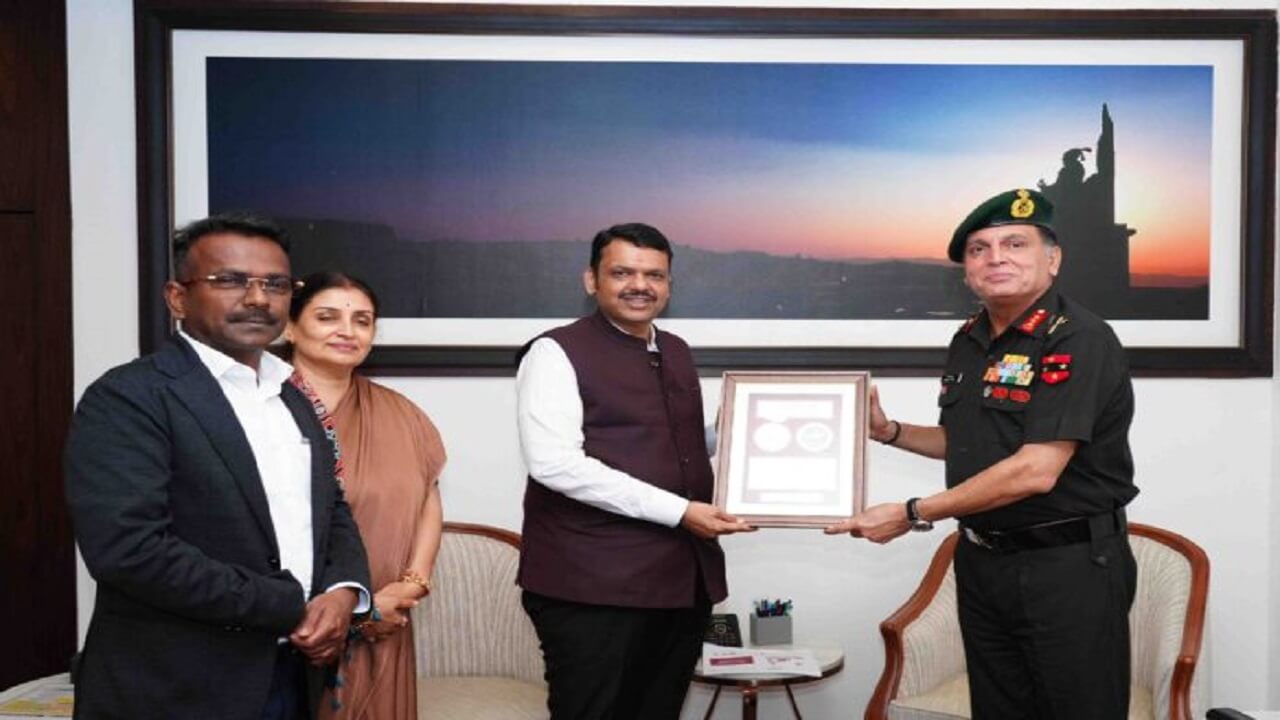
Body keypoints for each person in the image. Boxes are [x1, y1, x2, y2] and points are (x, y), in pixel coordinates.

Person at [827, 188, 1139, 719]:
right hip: (983, 562)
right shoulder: (970, 339)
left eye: (1015, 244)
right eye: (979, 249)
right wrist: (889, 431)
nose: (996, 258)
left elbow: (1035, 470)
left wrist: (913, 512)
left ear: (1053, 260)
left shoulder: (1078, 338)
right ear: (967, 272)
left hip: (1066, 567)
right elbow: (969, 443)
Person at [65, 213, 372, 720]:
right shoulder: (130, 396)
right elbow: (129, 550)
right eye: (230, 280)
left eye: (275, 284)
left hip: (292, 674)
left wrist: (343, 592)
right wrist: (288, 604)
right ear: (177, 298)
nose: (258, 298)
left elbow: (331, 507)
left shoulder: (291, 394)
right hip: (175, 689)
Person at [515, 222, 752, 719]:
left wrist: (740, 430)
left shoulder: (675, 350)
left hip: (681, 580)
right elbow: (555, 464)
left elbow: (674, 445)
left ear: (668, 285)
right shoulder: (554, 352)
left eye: (654, 275)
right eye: (622, 272)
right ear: (591, 280)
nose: (640, 285)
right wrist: (681, 511)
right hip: (592, 585)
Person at [282, 271, 446, 720]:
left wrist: (410, 586)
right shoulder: (260, 410)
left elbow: (427, 501)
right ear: (290, 327)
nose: (347, 331)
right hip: (288, 626)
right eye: (327, 317)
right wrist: (354, 611)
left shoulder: (402, 414)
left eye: (362, 320)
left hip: (386, 622)